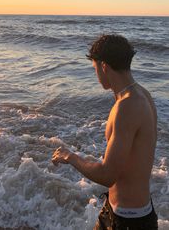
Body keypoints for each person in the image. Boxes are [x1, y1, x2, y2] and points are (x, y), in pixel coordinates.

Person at [52, 34, 158, 230]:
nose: (96, 75)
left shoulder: (127, 106)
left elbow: (108, 175)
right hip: (119, 211)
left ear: (104, 66)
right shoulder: (142, 94)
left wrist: (70, 157)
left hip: (129, 222)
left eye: (95, 68)